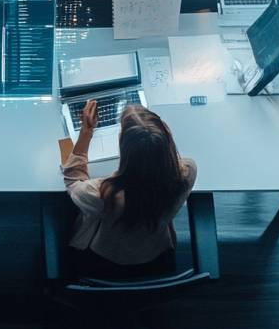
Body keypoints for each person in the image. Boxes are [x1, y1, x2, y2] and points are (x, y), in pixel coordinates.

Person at [63, 101, 196, 278]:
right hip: (157, 258)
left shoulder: (102, 193)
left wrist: (86, 133)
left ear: (124, 149)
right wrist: (160, 137)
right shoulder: (186, 173)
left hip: (104, 262)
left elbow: (72, 179)